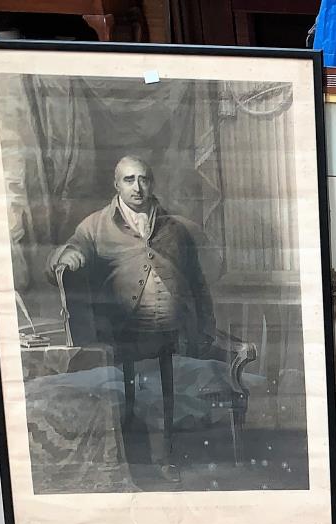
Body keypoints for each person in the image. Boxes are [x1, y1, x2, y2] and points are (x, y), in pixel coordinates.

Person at [47, 156, 215, 483]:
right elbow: (66, 253)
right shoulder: (95, 225)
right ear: (116, 184)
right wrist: (64, 256)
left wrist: (204, 324)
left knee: (169, 399)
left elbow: (197, 280)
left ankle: (167, 459)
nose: (137, 187)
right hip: (121, 331)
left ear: (152, 183)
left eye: (143, 179)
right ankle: (132, 466)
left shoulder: (175, 226)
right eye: (128, 180)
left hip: (170, 330)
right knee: (125, 399)